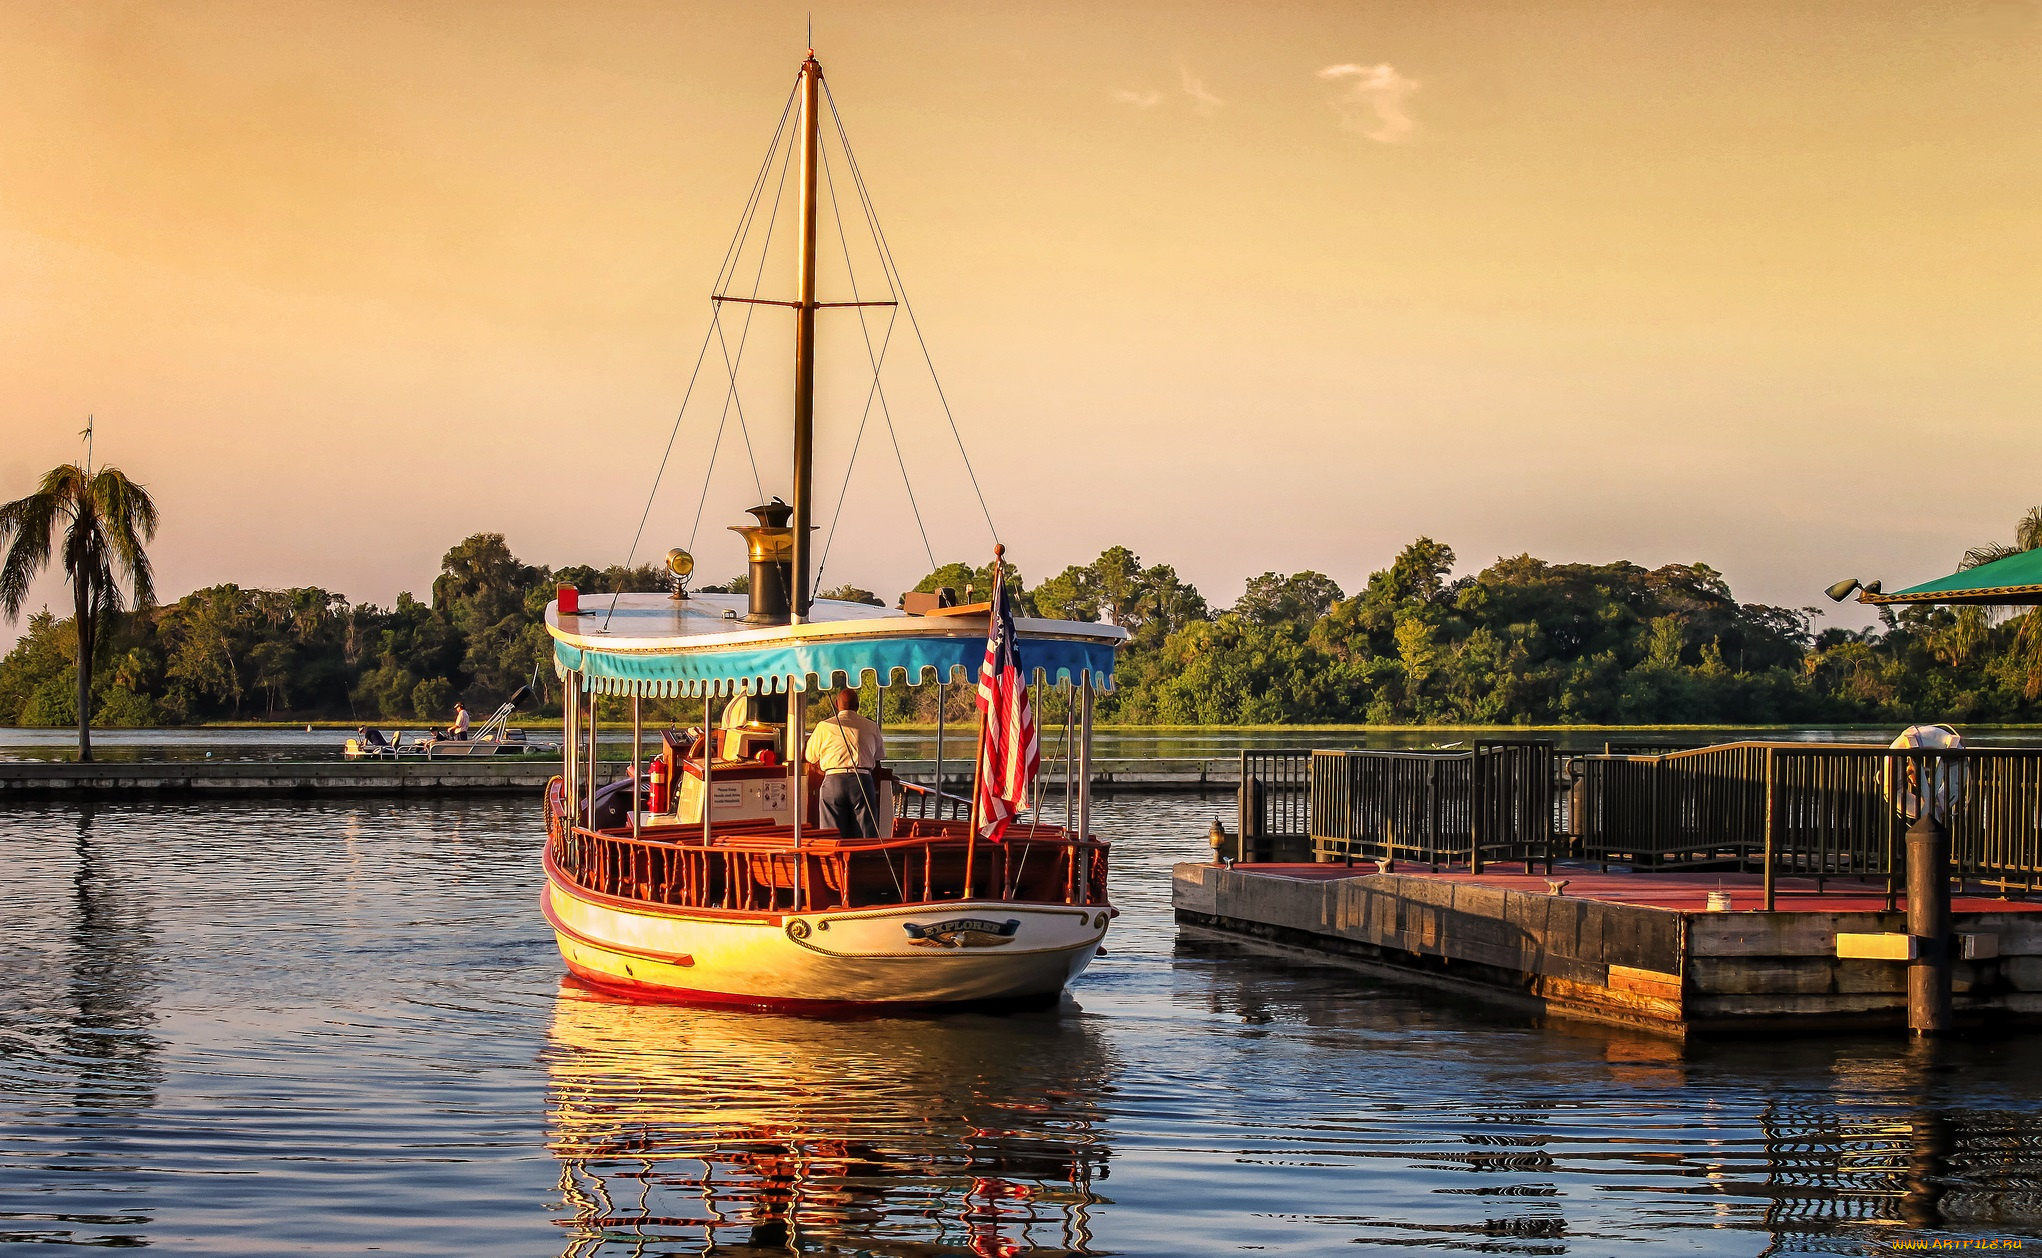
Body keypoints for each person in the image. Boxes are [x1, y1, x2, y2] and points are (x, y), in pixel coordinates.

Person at [804, 688, 885, 838]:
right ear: (858, 705)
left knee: (831, 834)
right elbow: (879, 755)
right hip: (862, 781)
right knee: (865, 833)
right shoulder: (871, 726)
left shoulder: (824, 726)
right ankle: (864, 860)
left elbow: (810, 756)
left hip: (834, 781)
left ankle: (836, 860)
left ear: (836, 704)